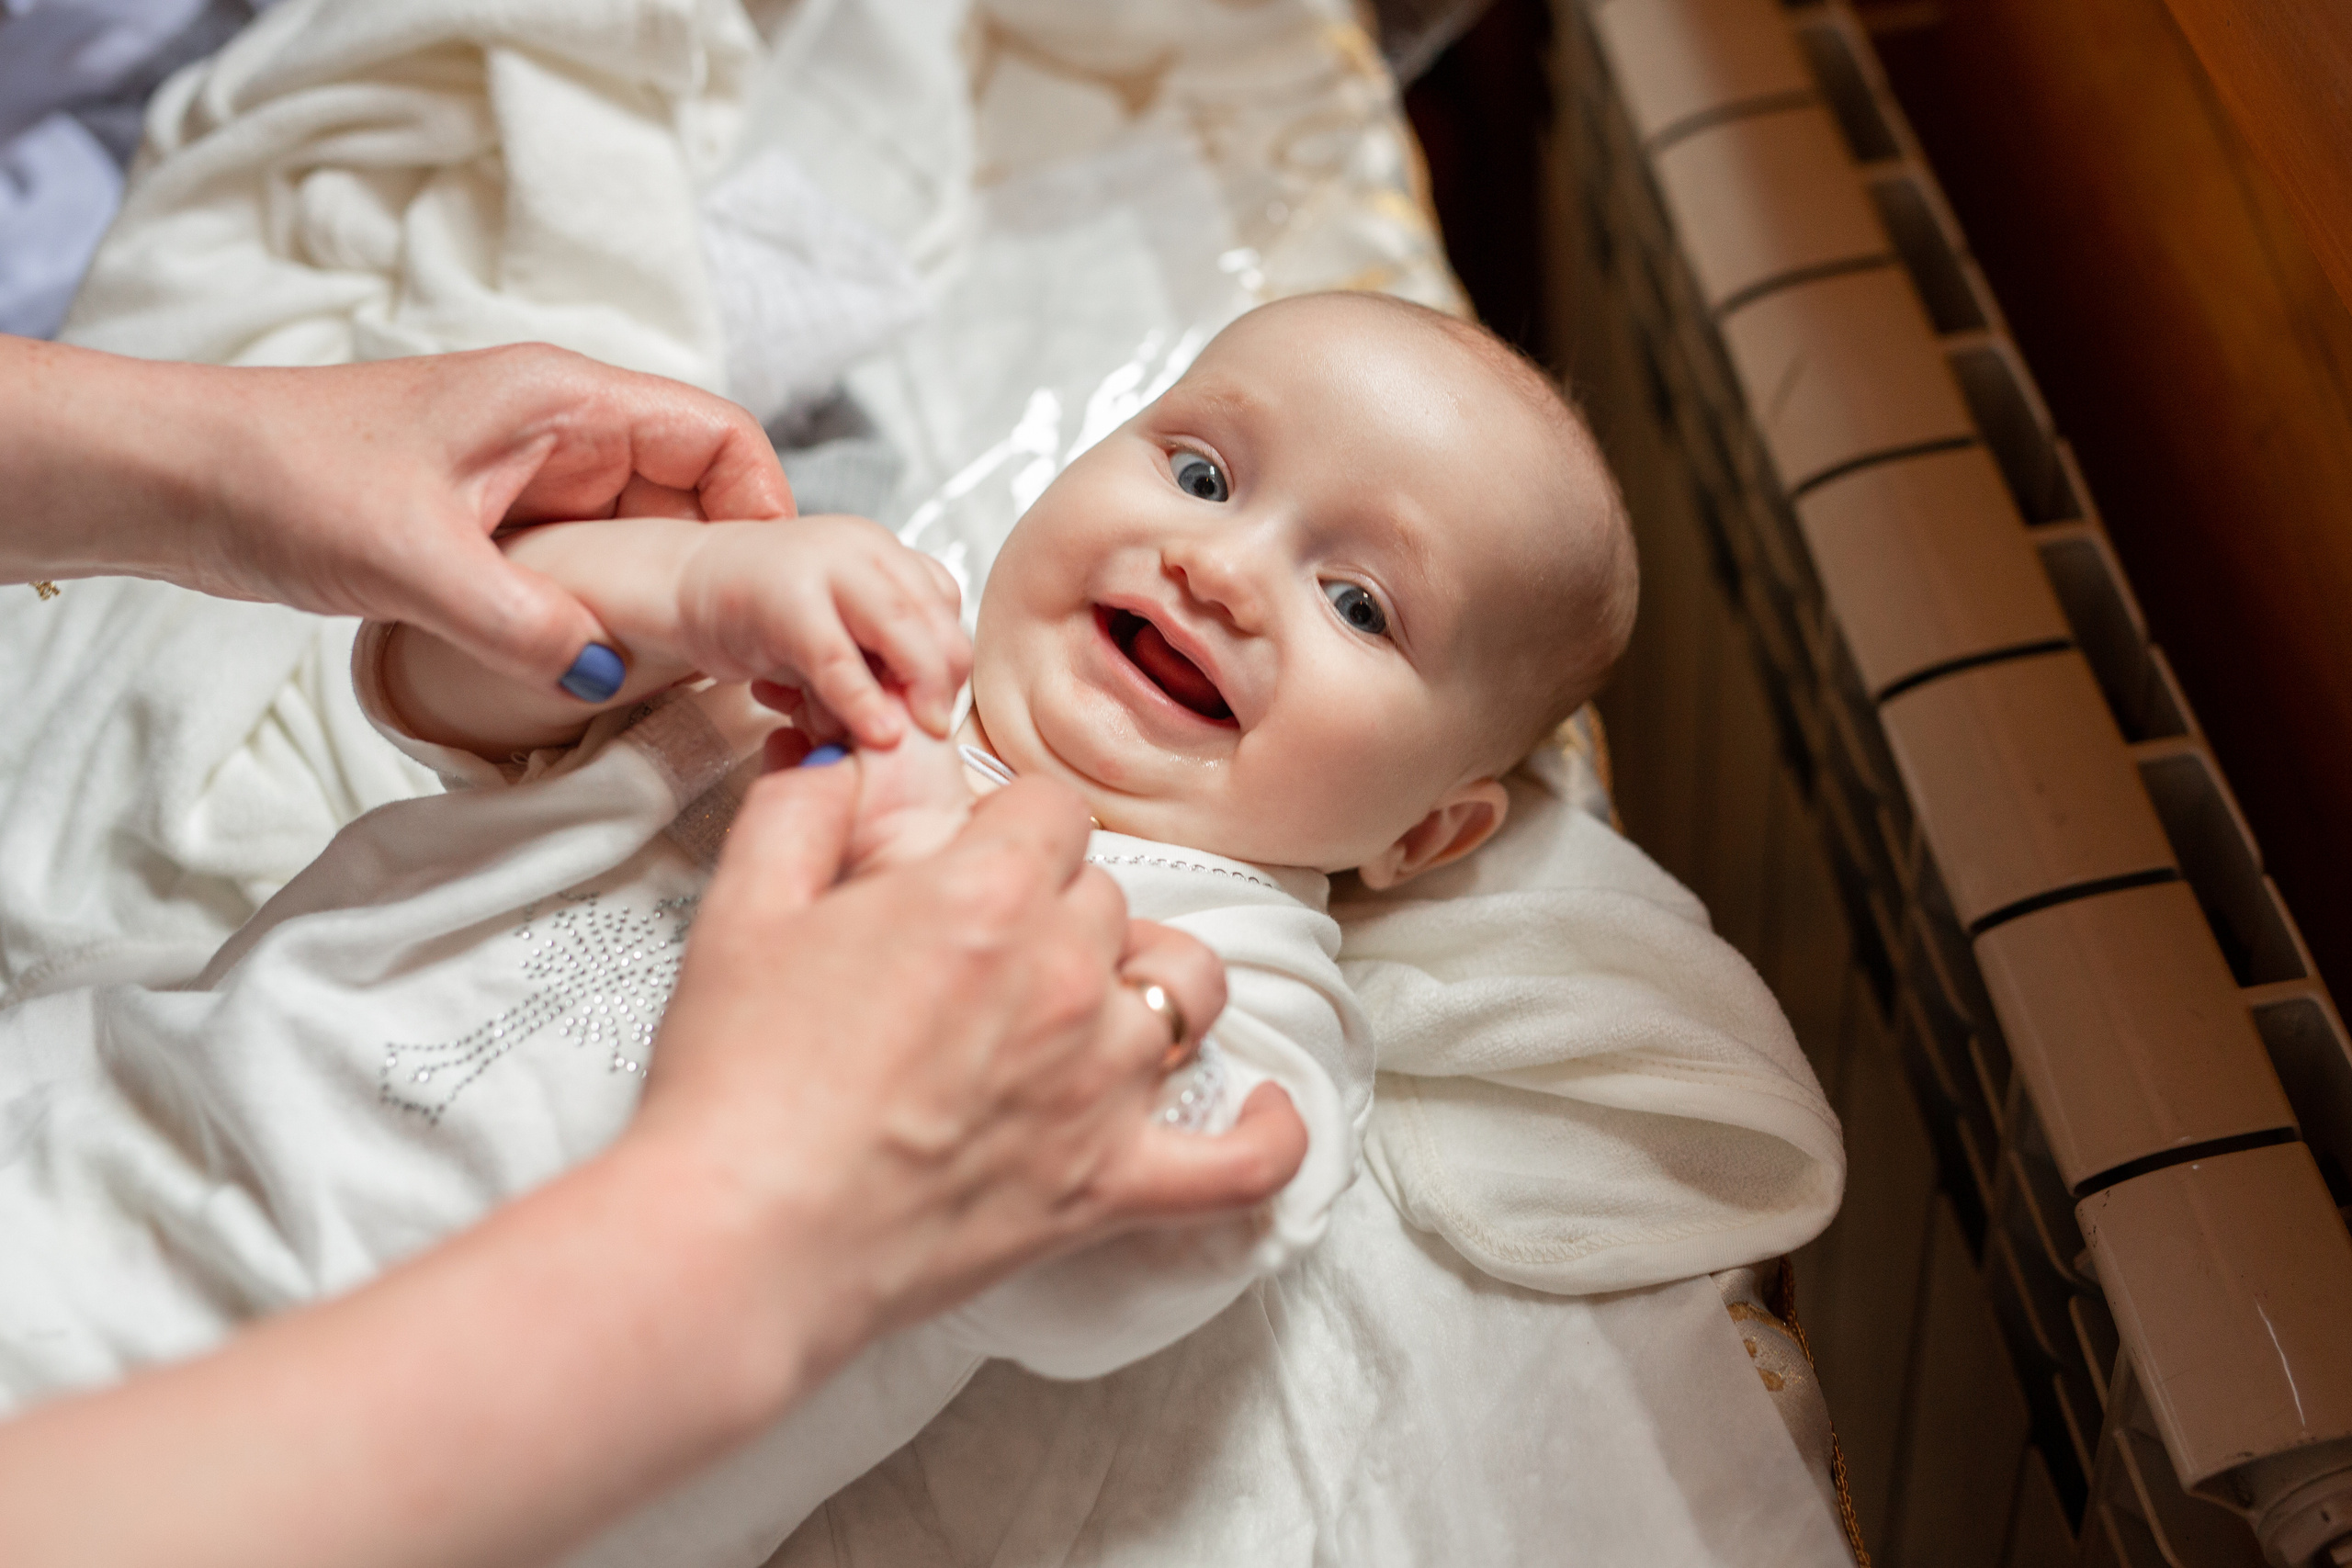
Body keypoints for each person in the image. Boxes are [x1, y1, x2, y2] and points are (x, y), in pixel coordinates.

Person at [0, 294, 1640, 1561]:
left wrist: (933, 842)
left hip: (441, 1490)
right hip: (88, 1152)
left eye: (1360, 602)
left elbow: (1142, 1248)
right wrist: (674, 591)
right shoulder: (823, 641)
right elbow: (438, 684)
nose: (1219, 566)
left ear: (1425, 832)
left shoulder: (1245, 977)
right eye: (1202, 470)